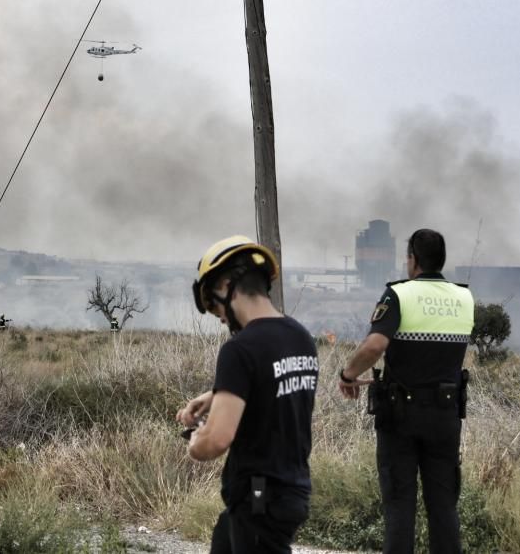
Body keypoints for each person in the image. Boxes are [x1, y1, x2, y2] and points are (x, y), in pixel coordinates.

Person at [177, 235, 317, 554]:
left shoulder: (240, 349)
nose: (222, 319)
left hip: (260, 500)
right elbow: (270, 384)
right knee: (223, 539)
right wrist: (215, 395)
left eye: (216, 308)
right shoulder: (299, 337)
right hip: (290, 490)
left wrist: (196, 442)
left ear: (227, 285)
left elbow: (216, 440)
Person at [338, 228, 474, 554]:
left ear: (413, 259)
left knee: (400, 504)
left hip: (401, 417)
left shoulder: (399, 294)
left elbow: (374, 345)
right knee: (443, 507)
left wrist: (347, 374)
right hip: (445, 416)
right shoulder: (464, 297)